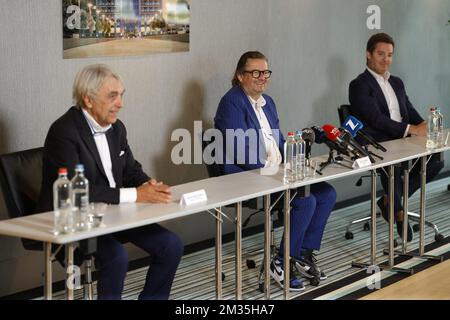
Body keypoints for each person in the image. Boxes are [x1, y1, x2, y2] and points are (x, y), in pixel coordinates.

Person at [36, 64, 183, 300]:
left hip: (114, 215)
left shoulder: (117, 128)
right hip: (75, 221)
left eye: (121, 94)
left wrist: (149, 185)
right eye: (112, 96)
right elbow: (76, 190)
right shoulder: (63, 131)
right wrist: (137, 195)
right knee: (117, 257)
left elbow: (130, 170)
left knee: (171, 245)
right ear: (89, 99)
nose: (120, 103)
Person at [214, 51, 336, 291]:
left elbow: (278, 143)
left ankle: (301, 254)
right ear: (240, 76)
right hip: (247, 177)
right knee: (306, 200)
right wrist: (279, 173)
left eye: (266, 72)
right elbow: (242, 154)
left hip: (278, 173)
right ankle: (280, 263)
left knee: (326, 193)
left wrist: (298, 162)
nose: (262, 77)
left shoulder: (268, 103)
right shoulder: (231, 102)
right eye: (255, 72)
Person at [349, 33, 444, 242]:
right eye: (381, 54)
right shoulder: (359, 85)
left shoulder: (397, 82)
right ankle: (399, 214)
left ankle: (390, 200)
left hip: (404, 139)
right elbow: (375, 119)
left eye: (390, 55)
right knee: (394, 165)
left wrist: (423, 125)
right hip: (378, 143)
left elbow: (408, 109)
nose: (386, 60)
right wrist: (411, 129)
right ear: (368, 55)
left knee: (436, 160)